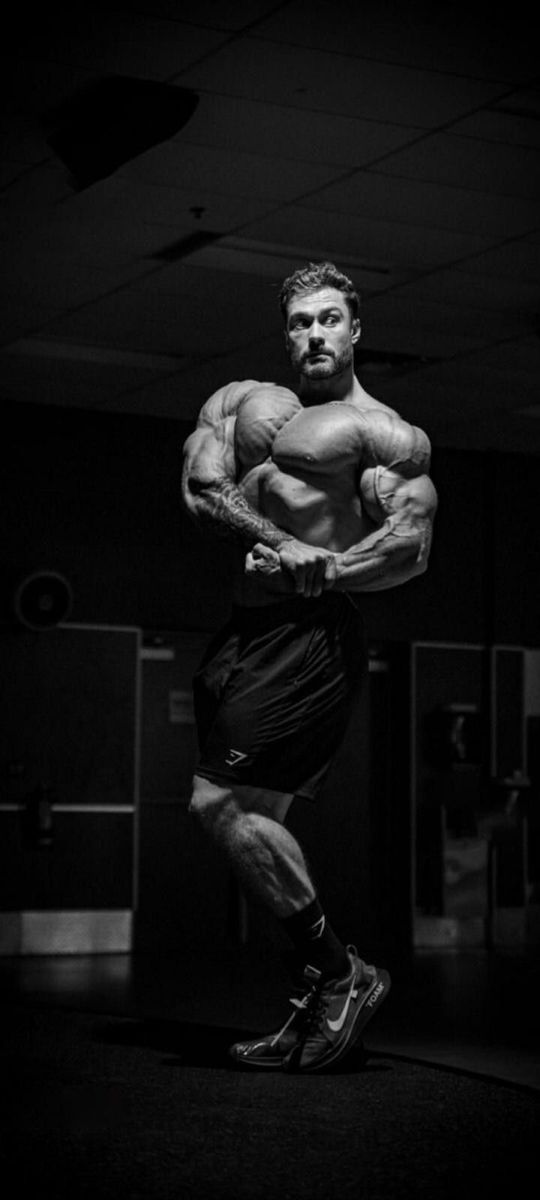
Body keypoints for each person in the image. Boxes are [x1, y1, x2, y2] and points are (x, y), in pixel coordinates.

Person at [181, 261, 437, 1073]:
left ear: (356, 330)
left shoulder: (380, 434)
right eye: (301, 322)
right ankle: (320, 993)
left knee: (217, 803)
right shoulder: (242, 403)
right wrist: (279, 540)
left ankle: (340, 972)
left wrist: (325, 568)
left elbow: (409, 548)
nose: (315, 334)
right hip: (241, 635)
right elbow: (201, 486)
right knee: (252, 821)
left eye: (330, 319)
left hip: (311, 635)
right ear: (285, 331)